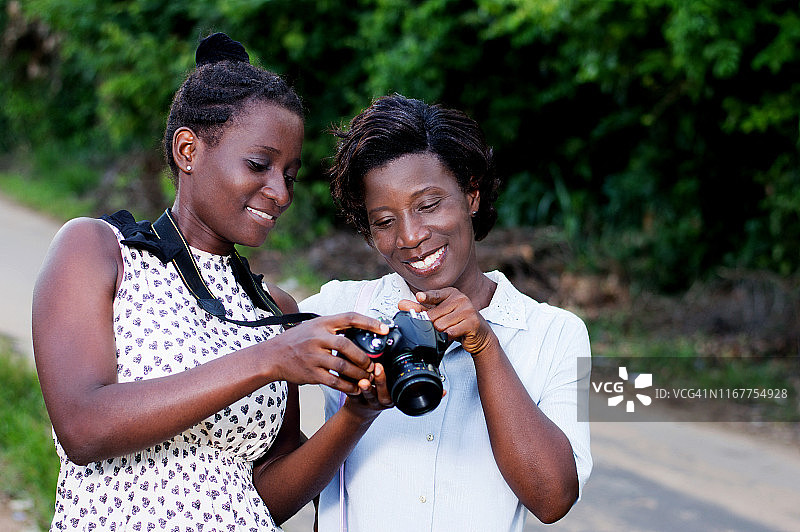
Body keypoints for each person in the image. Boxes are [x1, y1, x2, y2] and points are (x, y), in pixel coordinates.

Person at [32, 33, 390, 532]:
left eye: (291, 174)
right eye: (259, 165)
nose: (280, 192)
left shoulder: (272, 308)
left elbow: (264, 494)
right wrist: (269, 359)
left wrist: (357, 415)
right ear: (187, 150)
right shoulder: (99, 251)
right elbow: (82, 426)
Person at [299, 94, 592, 531]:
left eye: (429, 205)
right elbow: (235, 342)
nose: (411, 236)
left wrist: (484, 345)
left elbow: (551, 499)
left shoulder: (552, 333)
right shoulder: (344, 311)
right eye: (384, 221)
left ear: (472, 194)